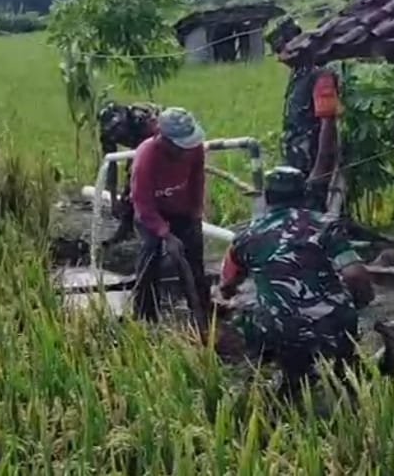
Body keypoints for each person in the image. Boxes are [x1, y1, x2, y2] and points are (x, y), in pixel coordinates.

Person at [216, 165, 374, 396]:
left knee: (243, 313)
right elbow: (355, 274)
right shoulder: (325, 225)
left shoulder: (246, 237)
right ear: (304, 195)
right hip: (333, 326)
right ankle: (345, 370)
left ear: (267, 197)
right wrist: (360, 303)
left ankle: (280, 370)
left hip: (282, 331)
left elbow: (227, 286)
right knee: (341, 314)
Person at [130, 107, 209, 322]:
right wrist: (165, 235)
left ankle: (202, 312)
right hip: (152, 211)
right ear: (164, 139)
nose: (185, 152)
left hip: (181, 208)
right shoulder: (146, 156)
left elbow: (197, 181)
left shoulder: (195, 149)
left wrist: (196, 215)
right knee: (150, 253)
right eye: (180, 147)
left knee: (194, 258)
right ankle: (145, 316)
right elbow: (142, 203)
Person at [269, 17, 341, 211]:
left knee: (312, 214)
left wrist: (319, 171)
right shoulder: (298, 74)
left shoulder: (320, 76)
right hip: (296, 161)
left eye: (281, 51)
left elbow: (328, 124)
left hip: (312, 163)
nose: (279, 58)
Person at [97, 101, 162, 245]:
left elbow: (154, 143)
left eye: (119, 128)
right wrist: (113, 199)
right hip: (137, 145)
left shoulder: (140, 120)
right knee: (129, 190)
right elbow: (111, 165)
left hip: (158, 139)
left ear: (125, 120)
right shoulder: (107, 134)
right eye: (112, 130)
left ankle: (156, 231)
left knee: (139, 184)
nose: (116, 133)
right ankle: (127, 229)